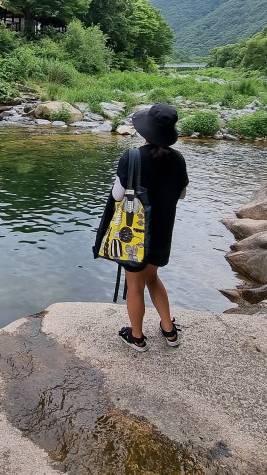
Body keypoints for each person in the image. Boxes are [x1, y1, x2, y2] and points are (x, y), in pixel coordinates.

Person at [96, 103, 189, 353]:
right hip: (162, 232)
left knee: (135, 285)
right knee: (153, 278)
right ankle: (169, 331)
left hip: (134, 233)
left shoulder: (132, 157)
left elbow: (117, 196)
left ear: (145, 131)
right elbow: (181, 195)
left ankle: (137, 338)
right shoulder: (178, 159)